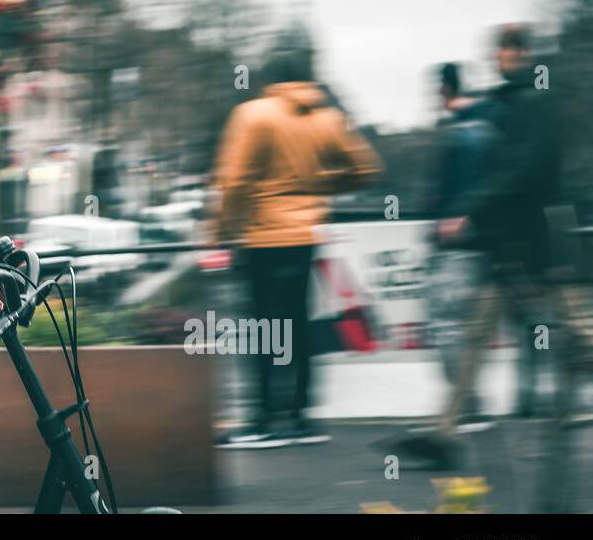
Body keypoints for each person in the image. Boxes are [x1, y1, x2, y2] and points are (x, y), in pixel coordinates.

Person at [403, 24, 571, 469]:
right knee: (485, 334)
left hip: (529, 243)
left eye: (510, 50)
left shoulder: (531, 104)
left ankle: (450, 429)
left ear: (523, 53)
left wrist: (470, 208)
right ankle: (445, 430)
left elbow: (521, 172)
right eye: (500, 50)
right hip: (517, 243)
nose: (503, 57)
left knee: (559, 333)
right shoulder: (514, 102)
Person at [211, 44, 381, 448]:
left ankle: (265, 418)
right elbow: (366, 168)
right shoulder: (327, 118)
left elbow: (234, 181)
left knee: (262, 328)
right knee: (298, 325)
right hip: (305, 236)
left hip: (261, 237)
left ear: (270, 79)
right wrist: (321, 188)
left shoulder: (253, 115)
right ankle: (302, 417)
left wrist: (222, 230)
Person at [423, 62, 497, 427]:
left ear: (444, 90)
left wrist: (448, 222)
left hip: (457, 243)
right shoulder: (488, 124)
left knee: (447, 324)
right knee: (469, 328)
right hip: (484, 242)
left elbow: (451, 191)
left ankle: (467, 407)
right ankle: (472, 405)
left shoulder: (461, 131)